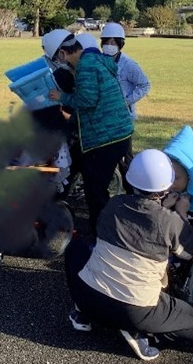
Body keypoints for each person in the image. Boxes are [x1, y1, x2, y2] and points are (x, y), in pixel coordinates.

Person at [65, 149, 193, 361]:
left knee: (75, 248)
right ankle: (142, 332)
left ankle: (83, 313)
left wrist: (160, 208)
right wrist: (180, 212)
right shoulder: (170, 221)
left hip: (85, 295)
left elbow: (135, 221)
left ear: (130, 179)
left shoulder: (113, 204)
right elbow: (192, 252)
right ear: (166, 187)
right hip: (135, 311)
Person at [49, 34, 133, 236]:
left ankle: (103, 237)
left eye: (58, 59)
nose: (60, 63)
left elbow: (87, 100)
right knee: (95, 184)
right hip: (119, 132)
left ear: (63, 53)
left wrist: (62, 97)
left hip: (106, 137)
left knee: (95, 190)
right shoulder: (95, 60)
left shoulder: (85, 66)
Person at [100, 23, 150, 122]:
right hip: (103, 115)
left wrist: (127, 101)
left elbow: (145, 85)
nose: (109, 46)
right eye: (106, 42)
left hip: (124, 116)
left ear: (120, 44)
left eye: (113, 43)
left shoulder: (129, 65)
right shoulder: (98, 61)